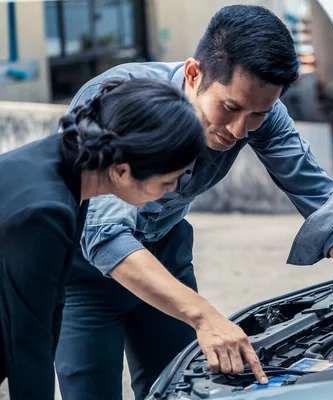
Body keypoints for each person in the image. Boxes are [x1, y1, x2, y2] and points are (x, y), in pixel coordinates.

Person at [55, 5, 333, 400]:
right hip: (82, 270)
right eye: (230, 108)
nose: (238, 130)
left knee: (181, 387)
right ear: (194, 73)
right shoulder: (117, 99)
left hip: (165, 249)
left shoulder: (261, 114)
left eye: (257, 114)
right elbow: (105, 234)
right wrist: (205, 315)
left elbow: (321, 199)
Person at [0, 78, 206, 400]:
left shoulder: (64, 167)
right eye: (168, 181)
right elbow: (27, 345)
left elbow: (48, 310)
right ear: (122, 171)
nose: (175, 190)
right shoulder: (45, 211)